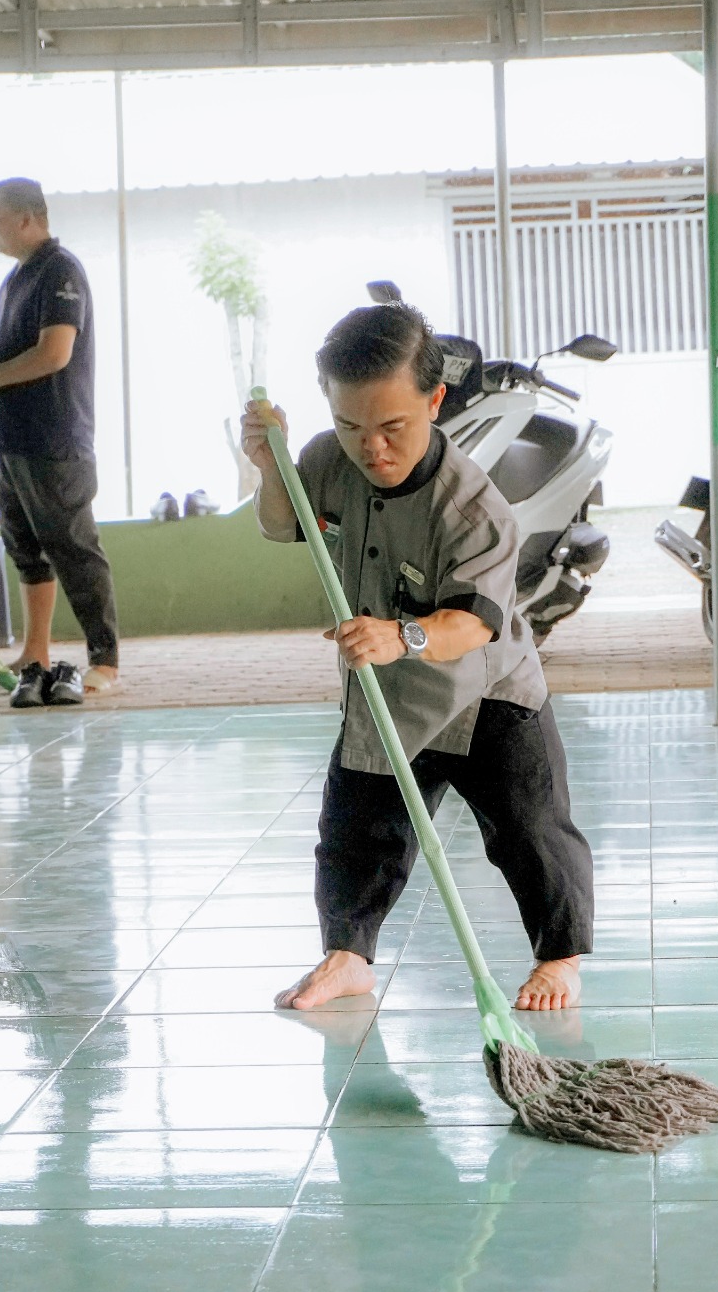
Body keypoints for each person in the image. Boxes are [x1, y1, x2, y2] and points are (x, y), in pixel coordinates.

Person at [240, 302, 594, 1015]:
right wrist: (267, 463)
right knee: (353, 828)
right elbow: (284, 524)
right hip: (386, 686)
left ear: (434, 401)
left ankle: (559, 959)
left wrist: (403, 636)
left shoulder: (474, 510)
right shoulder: (326, 458)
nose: (371, 447)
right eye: (351, 427)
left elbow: (472, 626)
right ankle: (348, 956)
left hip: (486, 692)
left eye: (392, 427)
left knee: (530, 827)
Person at [0, 177, 119, 709]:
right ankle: (37, 652)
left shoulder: (61, 271)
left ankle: (104, 659)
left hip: (56, 436)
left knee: (73, 547)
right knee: (26, 548)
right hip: (14, 439)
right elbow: (11, 353)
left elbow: (55, 353)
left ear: (27, 219)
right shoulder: (15, 280)